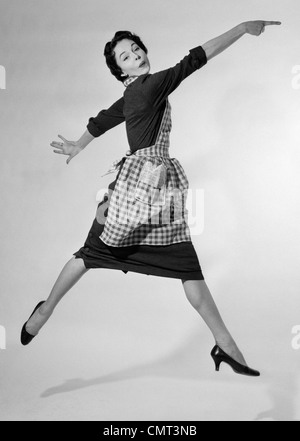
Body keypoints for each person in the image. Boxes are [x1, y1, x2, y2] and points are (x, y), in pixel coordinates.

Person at [21, 20, 281, 376]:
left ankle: (226, 345)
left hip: (161, 189)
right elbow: (196, 59)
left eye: (135, 49)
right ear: (120, 71)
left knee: (186, 265)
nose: (135, 55)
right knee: (90, 254)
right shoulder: (149, 85)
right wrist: (241, 29)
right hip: (132, 192)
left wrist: (78, 144)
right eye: (125, 56)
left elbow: (104, 119)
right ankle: (46, 310)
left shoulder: (136, 91)